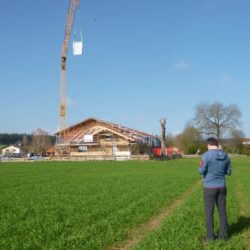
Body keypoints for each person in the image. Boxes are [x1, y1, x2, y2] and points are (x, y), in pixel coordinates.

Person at [198, 137, 232, 241]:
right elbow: (229, 172)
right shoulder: (226, 156)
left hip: (209, 188)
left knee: (209, 212)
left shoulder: (206, 155)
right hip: (222, 186)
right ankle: (223, 237)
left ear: (208, 145)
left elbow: (200, 171)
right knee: (222, 211)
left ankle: (210, 237)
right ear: (217, 144)